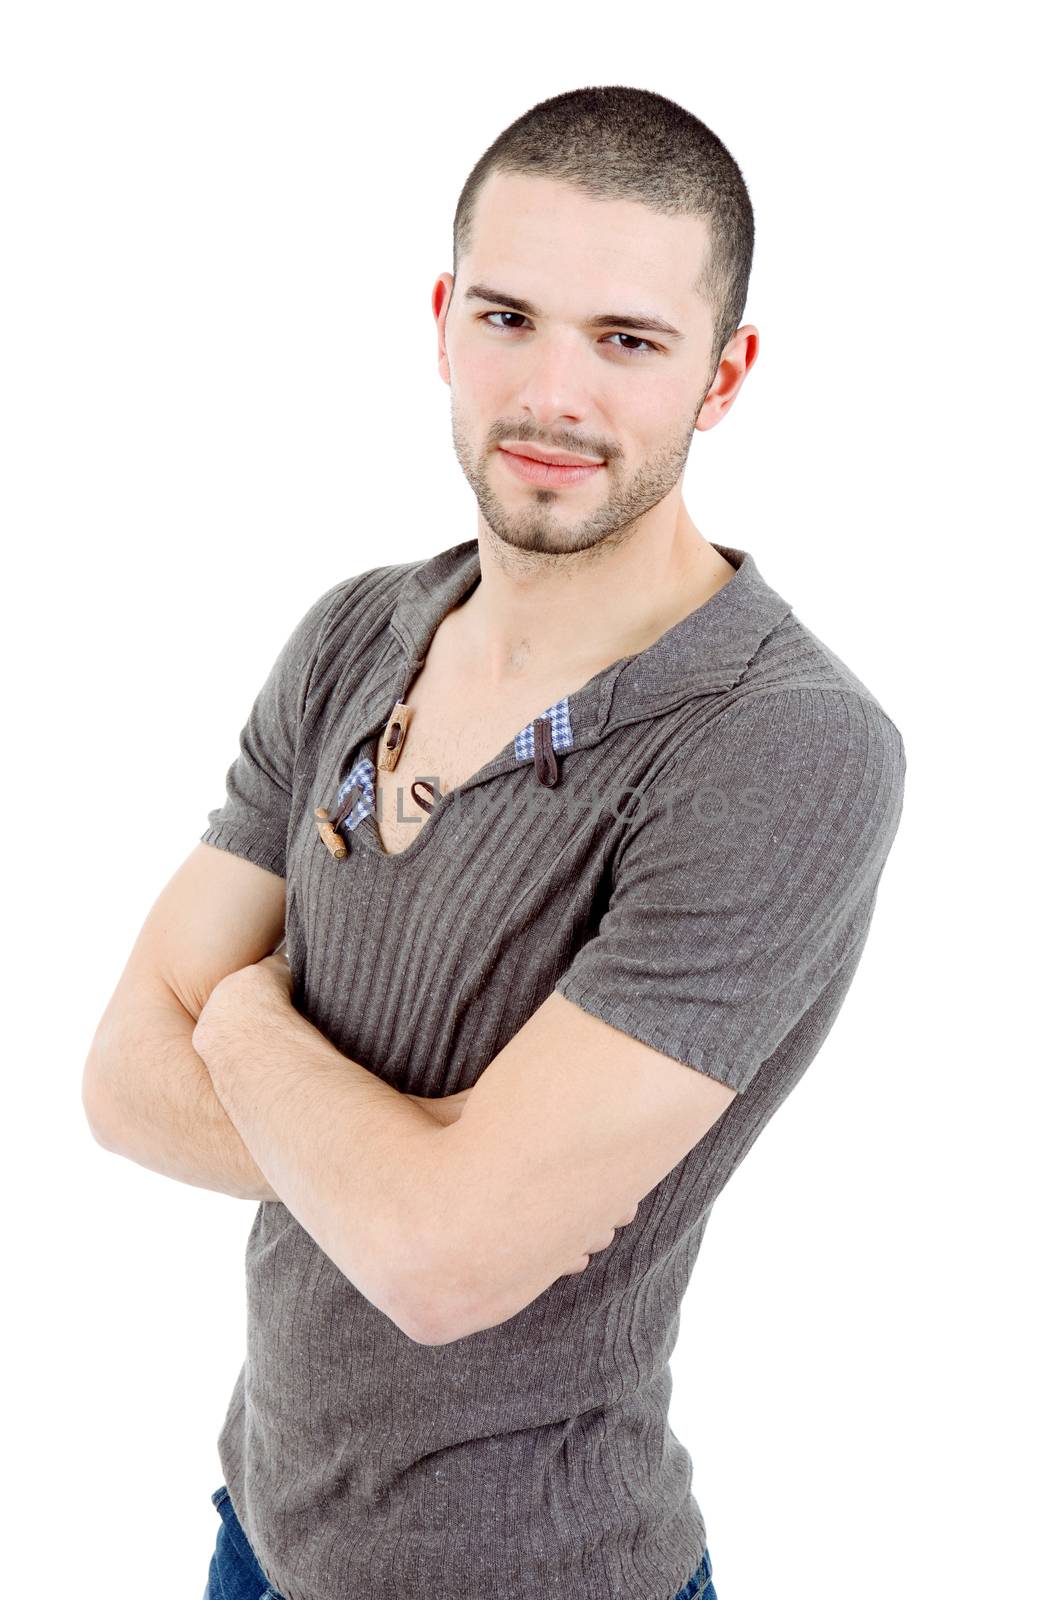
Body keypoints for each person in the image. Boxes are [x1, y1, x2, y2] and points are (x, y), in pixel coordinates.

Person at [83, 85, 906, 1600]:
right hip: (257, 1536)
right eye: (510, 318)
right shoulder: (353, 634)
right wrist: (412, 1165)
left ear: (725, 376)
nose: (553, 395)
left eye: (629, 342)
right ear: (443, 319)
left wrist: (250, 1016)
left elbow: (447, 1265)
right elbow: (124, 1085)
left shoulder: (776, 747)